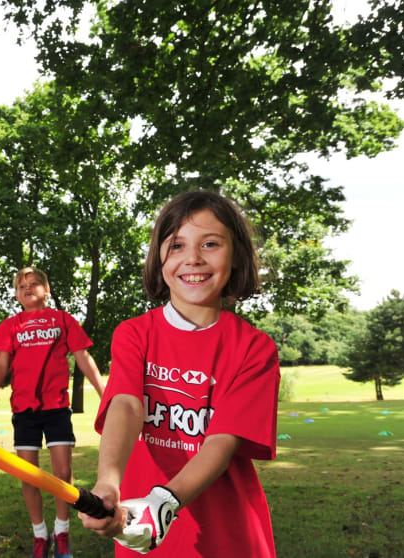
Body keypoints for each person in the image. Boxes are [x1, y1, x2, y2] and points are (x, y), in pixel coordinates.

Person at [79, 190, 281, 557]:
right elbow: (126, 404)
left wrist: (164, 503)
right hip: (142, 526)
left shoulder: (255, 348)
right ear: (159, 259)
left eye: (210, 244)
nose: (193, 258)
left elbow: (222, 441)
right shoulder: (134, 334)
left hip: (227, 534)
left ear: (236, 255)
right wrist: (108, 481)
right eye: (176, 245)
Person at [0, 266, 105, 558]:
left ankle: (62, 532)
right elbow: (1, 364)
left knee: (63, 473)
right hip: (25, 411)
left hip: (56, 408)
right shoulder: (10, 326)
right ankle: (40, 535)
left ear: (46, 290)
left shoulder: (63, 319)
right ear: (16, 295)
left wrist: (104, 392)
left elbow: (83, 357)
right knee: (29, 476)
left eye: (34, 283)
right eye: (21, 286)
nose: (28, 288)